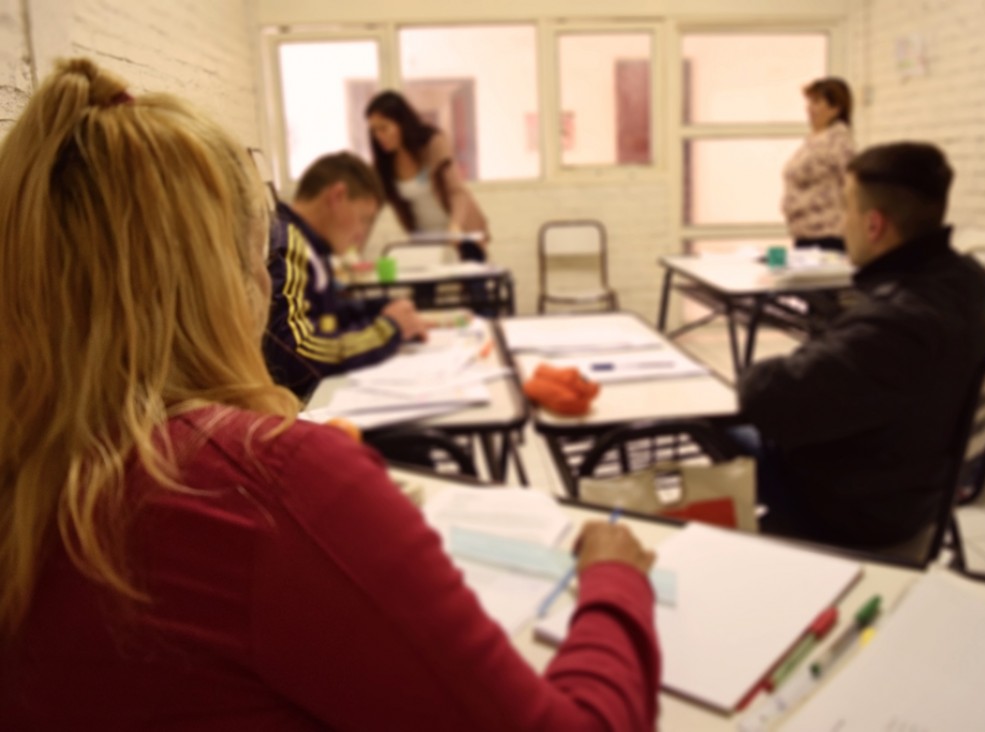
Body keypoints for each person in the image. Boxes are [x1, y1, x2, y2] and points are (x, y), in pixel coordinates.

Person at [0, 58, 661, 730]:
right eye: (257, 261)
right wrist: (614, 580)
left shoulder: (35, 475)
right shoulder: (261, 482)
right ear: (220, 282)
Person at [735, 142, 985, 548]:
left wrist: (759, 371)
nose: (841, 225)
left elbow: (767, 397)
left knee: (715, 433)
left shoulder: (893, 323)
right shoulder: (969, 281)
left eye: (845, 210)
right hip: (913, 483)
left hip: (858, 511)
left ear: (874, 225)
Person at [264, 151, 428, 399]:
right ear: (337, 196)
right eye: (364, 219)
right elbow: (295, 355)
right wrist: (388, 329)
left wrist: (384, 308)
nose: (363, 234)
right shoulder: (289, 244)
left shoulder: (310, 246)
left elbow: (328, 315)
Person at [365, 90, 489, 260]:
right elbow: (371, 209)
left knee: (473, 284)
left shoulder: (433, 144)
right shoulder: (383, 166)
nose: (379, 136)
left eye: (384, 128)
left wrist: (455, 226)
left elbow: (457, 192)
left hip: (461, 232)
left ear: (401, 123)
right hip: (424, 241)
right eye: (374, 131)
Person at [781, 77, 856, 252]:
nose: (809, 108)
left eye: (816, 102)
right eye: (809, 102)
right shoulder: (815, 140)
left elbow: (852, 185)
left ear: (835, 108)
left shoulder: (839, 142)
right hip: (805, 234)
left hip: (827, 236)